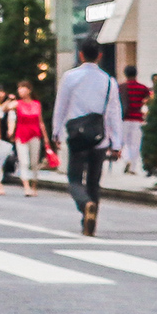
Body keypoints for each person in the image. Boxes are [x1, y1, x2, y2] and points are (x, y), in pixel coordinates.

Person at [53, 39, 124, 235]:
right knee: (94, 182)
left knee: (75, 179)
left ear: (81, 55)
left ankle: (85, 205)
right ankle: (89, 220)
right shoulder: (109, 81)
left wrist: (56, 131)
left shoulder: (70, 77)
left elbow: (61, 106)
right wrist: (117, 143)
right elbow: (114, 113)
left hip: (77, 136)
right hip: (100, 138)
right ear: (100, 56)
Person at [5, 82, 45, 197]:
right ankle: (26, 187)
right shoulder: (17, 104)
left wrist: (46, 138)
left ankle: (34, 186)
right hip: (21, 134)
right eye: (19, 89)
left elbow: (40, 122)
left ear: (29, 90)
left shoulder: (36, 104)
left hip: (35, 134)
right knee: (24, 162)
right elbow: (5, 109)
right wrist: (9, 99)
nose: (20, 91)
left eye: (23, 89)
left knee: (34, 162)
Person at [117, 64, 151, 174]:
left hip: (124, 119)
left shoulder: (121, 87)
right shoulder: (142, 88)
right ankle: (132, 167)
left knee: (124, 142)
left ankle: (126, 160)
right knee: (135, 144)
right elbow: (149, 99)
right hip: (138, 119)